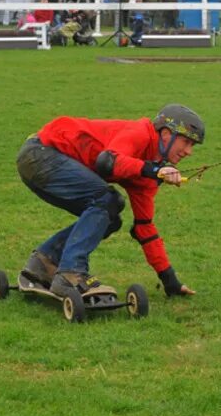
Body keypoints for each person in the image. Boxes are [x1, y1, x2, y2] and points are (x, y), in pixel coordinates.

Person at [16, 104, 203, 299]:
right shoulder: (140, 133)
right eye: (186, 142)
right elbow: (108, 161)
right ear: (166, 133)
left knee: (110, 219)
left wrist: (170, 280)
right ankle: (71, 272)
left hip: (41, 163)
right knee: (108, 200)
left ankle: (43, 262)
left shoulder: (145, 174)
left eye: (192, 146)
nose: (189, 151)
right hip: (41, 153)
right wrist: (155, 170)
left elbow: (144, 230)